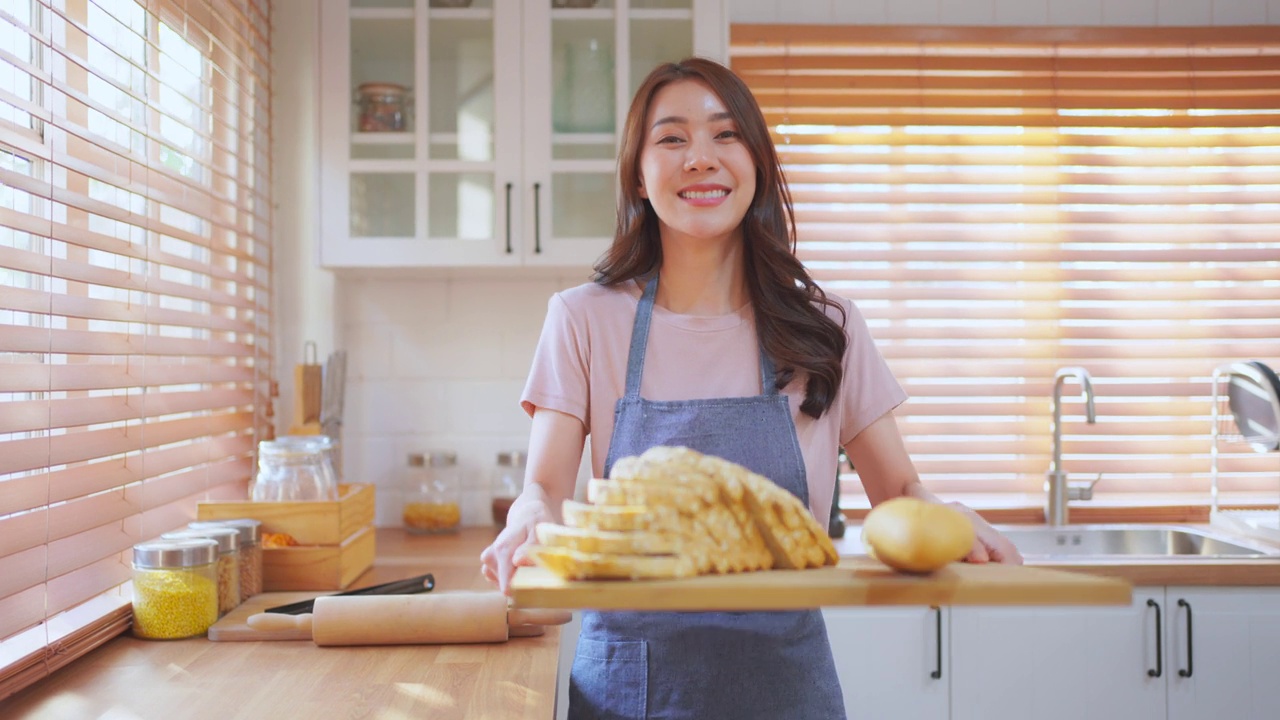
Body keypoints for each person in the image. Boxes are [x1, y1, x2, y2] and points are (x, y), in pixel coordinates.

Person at [481, 56, 1022, 720]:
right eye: (672, 138)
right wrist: (528, 519)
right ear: (640, 177)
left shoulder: (829, 327)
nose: (700, 158)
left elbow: (900, 496)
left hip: (784, 687)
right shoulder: (583, 318)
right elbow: (544, 489)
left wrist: (949, 516)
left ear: (758, 164)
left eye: (725, 134)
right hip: (631, 687)